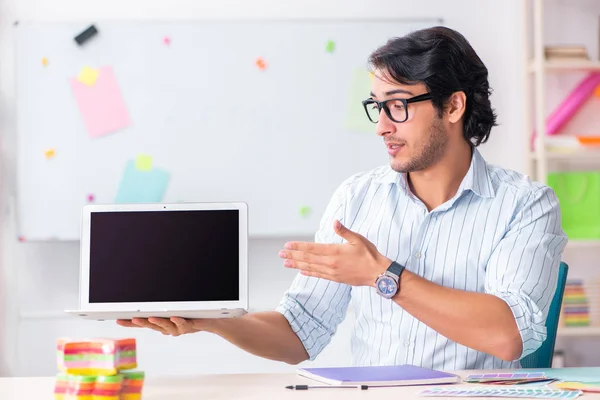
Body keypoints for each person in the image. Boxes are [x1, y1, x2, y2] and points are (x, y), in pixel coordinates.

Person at [117, 26, 567, 370]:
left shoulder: (526, 205)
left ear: (453, 106)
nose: (382, 126)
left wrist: (382, 275)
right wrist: (211, 320)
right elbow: (300, 333)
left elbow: (510, 334)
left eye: (398, 105)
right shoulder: (357, 198)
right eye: (377, 106)